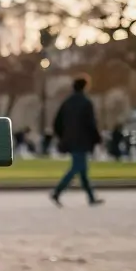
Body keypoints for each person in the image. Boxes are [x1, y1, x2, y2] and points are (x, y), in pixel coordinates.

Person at [49, 75, 103, 207]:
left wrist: (63, 136)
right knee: (77, 168)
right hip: (82, 140)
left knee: (82, 171)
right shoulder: (86, 103)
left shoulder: (66, 103)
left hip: (70, 139)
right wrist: (97, 138)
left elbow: (57, 122)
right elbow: (90, 123)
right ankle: (57, 191)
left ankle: (91, 197)